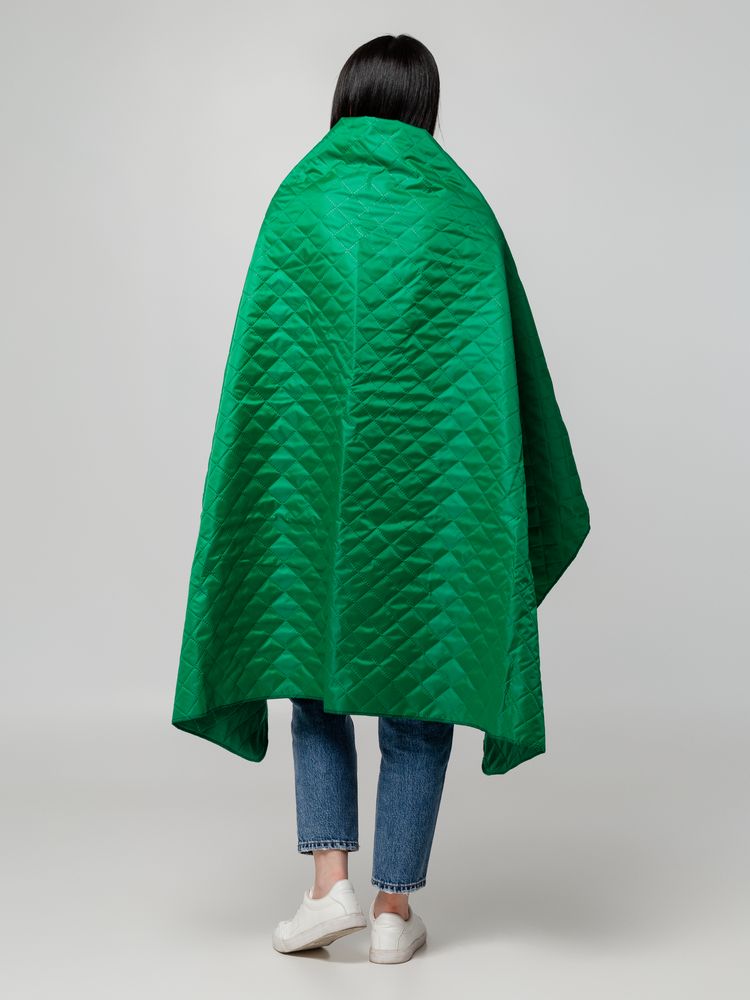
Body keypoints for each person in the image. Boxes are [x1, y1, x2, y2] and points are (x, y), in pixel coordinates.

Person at [171, 32, 590, 965]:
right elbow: (503, 375)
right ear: (424, 106)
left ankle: (330, 888)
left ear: (345, 98)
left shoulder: (298, 202)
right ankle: (395, 909)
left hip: (309, 492)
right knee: (420, 678)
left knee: (312, 671)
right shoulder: (459, 210)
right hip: (429, 502)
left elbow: (263, 380)